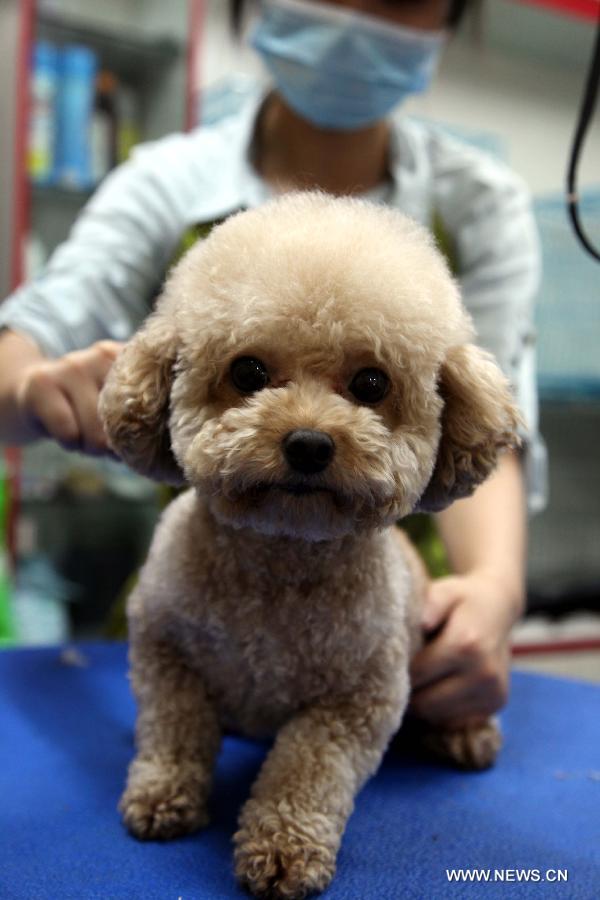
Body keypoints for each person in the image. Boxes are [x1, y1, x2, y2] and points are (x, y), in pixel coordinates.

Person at [0, 0, 543, 733]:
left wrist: (492, 591)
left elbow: (484, 428)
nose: (356, 15)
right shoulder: (167, 180)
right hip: (203, 590)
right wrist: (31, 387)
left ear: (452, 19)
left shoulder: (479, 204)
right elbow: (23, 338)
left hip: (393, 610)